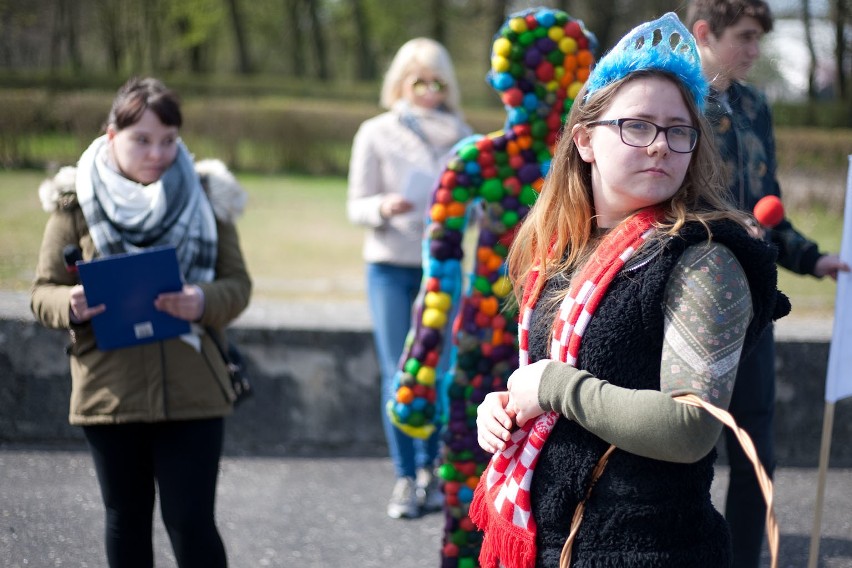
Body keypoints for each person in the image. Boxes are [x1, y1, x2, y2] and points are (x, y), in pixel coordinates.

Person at [470, 12, 790, 568]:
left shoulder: (705, 258)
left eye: (678, 130)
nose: (661, 145)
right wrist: (504, 408)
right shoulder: (563, 249)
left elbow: (691, 426)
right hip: (554, 541)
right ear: (585, 141)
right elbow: (560, 383)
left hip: (651, 550)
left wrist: (552, 387)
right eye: (637, 126)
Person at [31, 77, 252, 567]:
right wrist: (69, 302)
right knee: (125, 520)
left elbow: (238, 286)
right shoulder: (74, 203)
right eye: (142, 139)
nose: (157, 153)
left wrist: (201, 299)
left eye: (169, 140)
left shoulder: (207, 197)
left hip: (194, 392)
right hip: (110, 392)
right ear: (112, 136)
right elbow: (41, 293)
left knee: (192, 523)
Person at [685, 2, 850, 565]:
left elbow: (768, 209)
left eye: (760, 39)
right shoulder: (674, 101)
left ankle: (743, 558)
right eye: (746, 38)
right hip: (692, 304)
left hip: (755, 304)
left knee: (757, 453)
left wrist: (812, 258)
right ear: (704, 33)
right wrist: (726, 228)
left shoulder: (755, 106)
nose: (756, 50)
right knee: (684, 450)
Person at [346, 37, 472, 519]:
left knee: (441, 374)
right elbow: (355, 204)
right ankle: (404, 475)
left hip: (441, 265)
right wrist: (384, 206)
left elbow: (480, 205)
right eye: (419, 81)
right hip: (389, 265)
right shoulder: (375, 132)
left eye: (438, 82)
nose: (428, 91)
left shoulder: (462, 135)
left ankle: (431, 470)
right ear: (401, 82)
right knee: (399, 371)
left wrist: (460, 209)